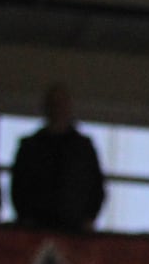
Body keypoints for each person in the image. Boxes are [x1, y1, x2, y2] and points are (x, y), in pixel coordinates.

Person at [9, 83, 105, 233]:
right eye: (53, 104)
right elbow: (18, 186)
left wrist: (89, 218)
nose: (57, 109)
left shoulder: (83, 148)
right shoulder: (30, 147)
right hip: (37, 227)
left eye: (61, 104)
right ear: (46, 108)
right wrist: (25, 217)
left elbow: (96, 186)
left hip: (74, 228)